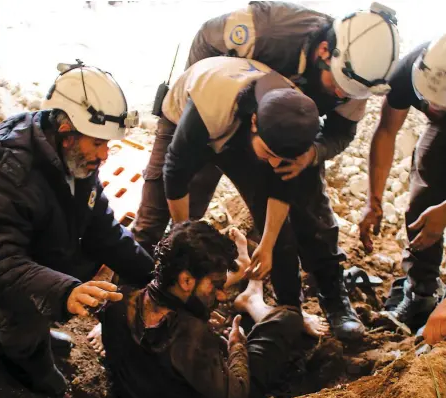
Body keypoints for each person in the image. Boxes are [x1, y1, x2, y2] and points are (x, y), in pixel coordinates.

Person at [132, 1, 400, 340]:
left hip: (279, 124)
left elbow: (335, 137)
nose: (341, 95)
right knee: (163, 221)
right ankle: (129, 306)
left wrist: (270, 240)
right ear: (324, 52)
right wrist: (183, 227)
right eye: (337, 85)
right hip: (206, 102)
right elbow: (175, 170)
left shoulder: (348, 84)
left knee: (299, 206)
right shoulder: (265, 30)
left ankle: (299, 309)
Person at [0, 61, 154, 396]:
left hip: (19, 265)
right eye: (97, 143)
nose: (104, 155)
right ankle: (21, 357)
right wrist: (63, 292)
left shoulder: (75, 164)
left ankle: (33, 333)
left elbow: (104, 230)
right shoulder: (8, 175)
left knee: (66, 266)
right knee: (34, 300)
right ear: (66, 129)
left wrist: (152, 275)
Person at [101, 220, 311, 398]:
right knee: (288, 319)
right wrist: (237, 346)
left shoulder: (118, 302)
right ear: (186, 281)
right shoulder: (190, 336)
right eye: (216, 285)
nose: (221, 295)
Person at [359, 34, 446, 329]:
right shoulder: (413, 69)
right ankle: (422, 292)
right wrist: (374, 199)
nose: (432, 107)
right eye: (428, 100)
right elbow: (386, 132)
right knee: (425, 190)